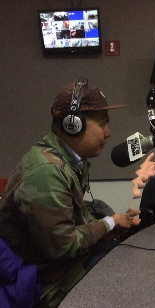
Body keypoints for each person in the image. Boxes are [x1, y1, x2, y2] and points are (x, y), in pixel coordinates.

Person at [0, 81, 146, 308]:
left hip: (60, 263)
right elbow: (62, 246)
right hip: (46, 279)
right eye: (103, 125)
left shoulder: (67, 160)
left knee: (125, 257)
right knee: (127, 281)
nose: (108, 133)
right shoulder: (47, 171)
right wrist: (108, 223)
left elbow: (77, 221)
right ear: (73, 125)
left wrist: (111, 228)